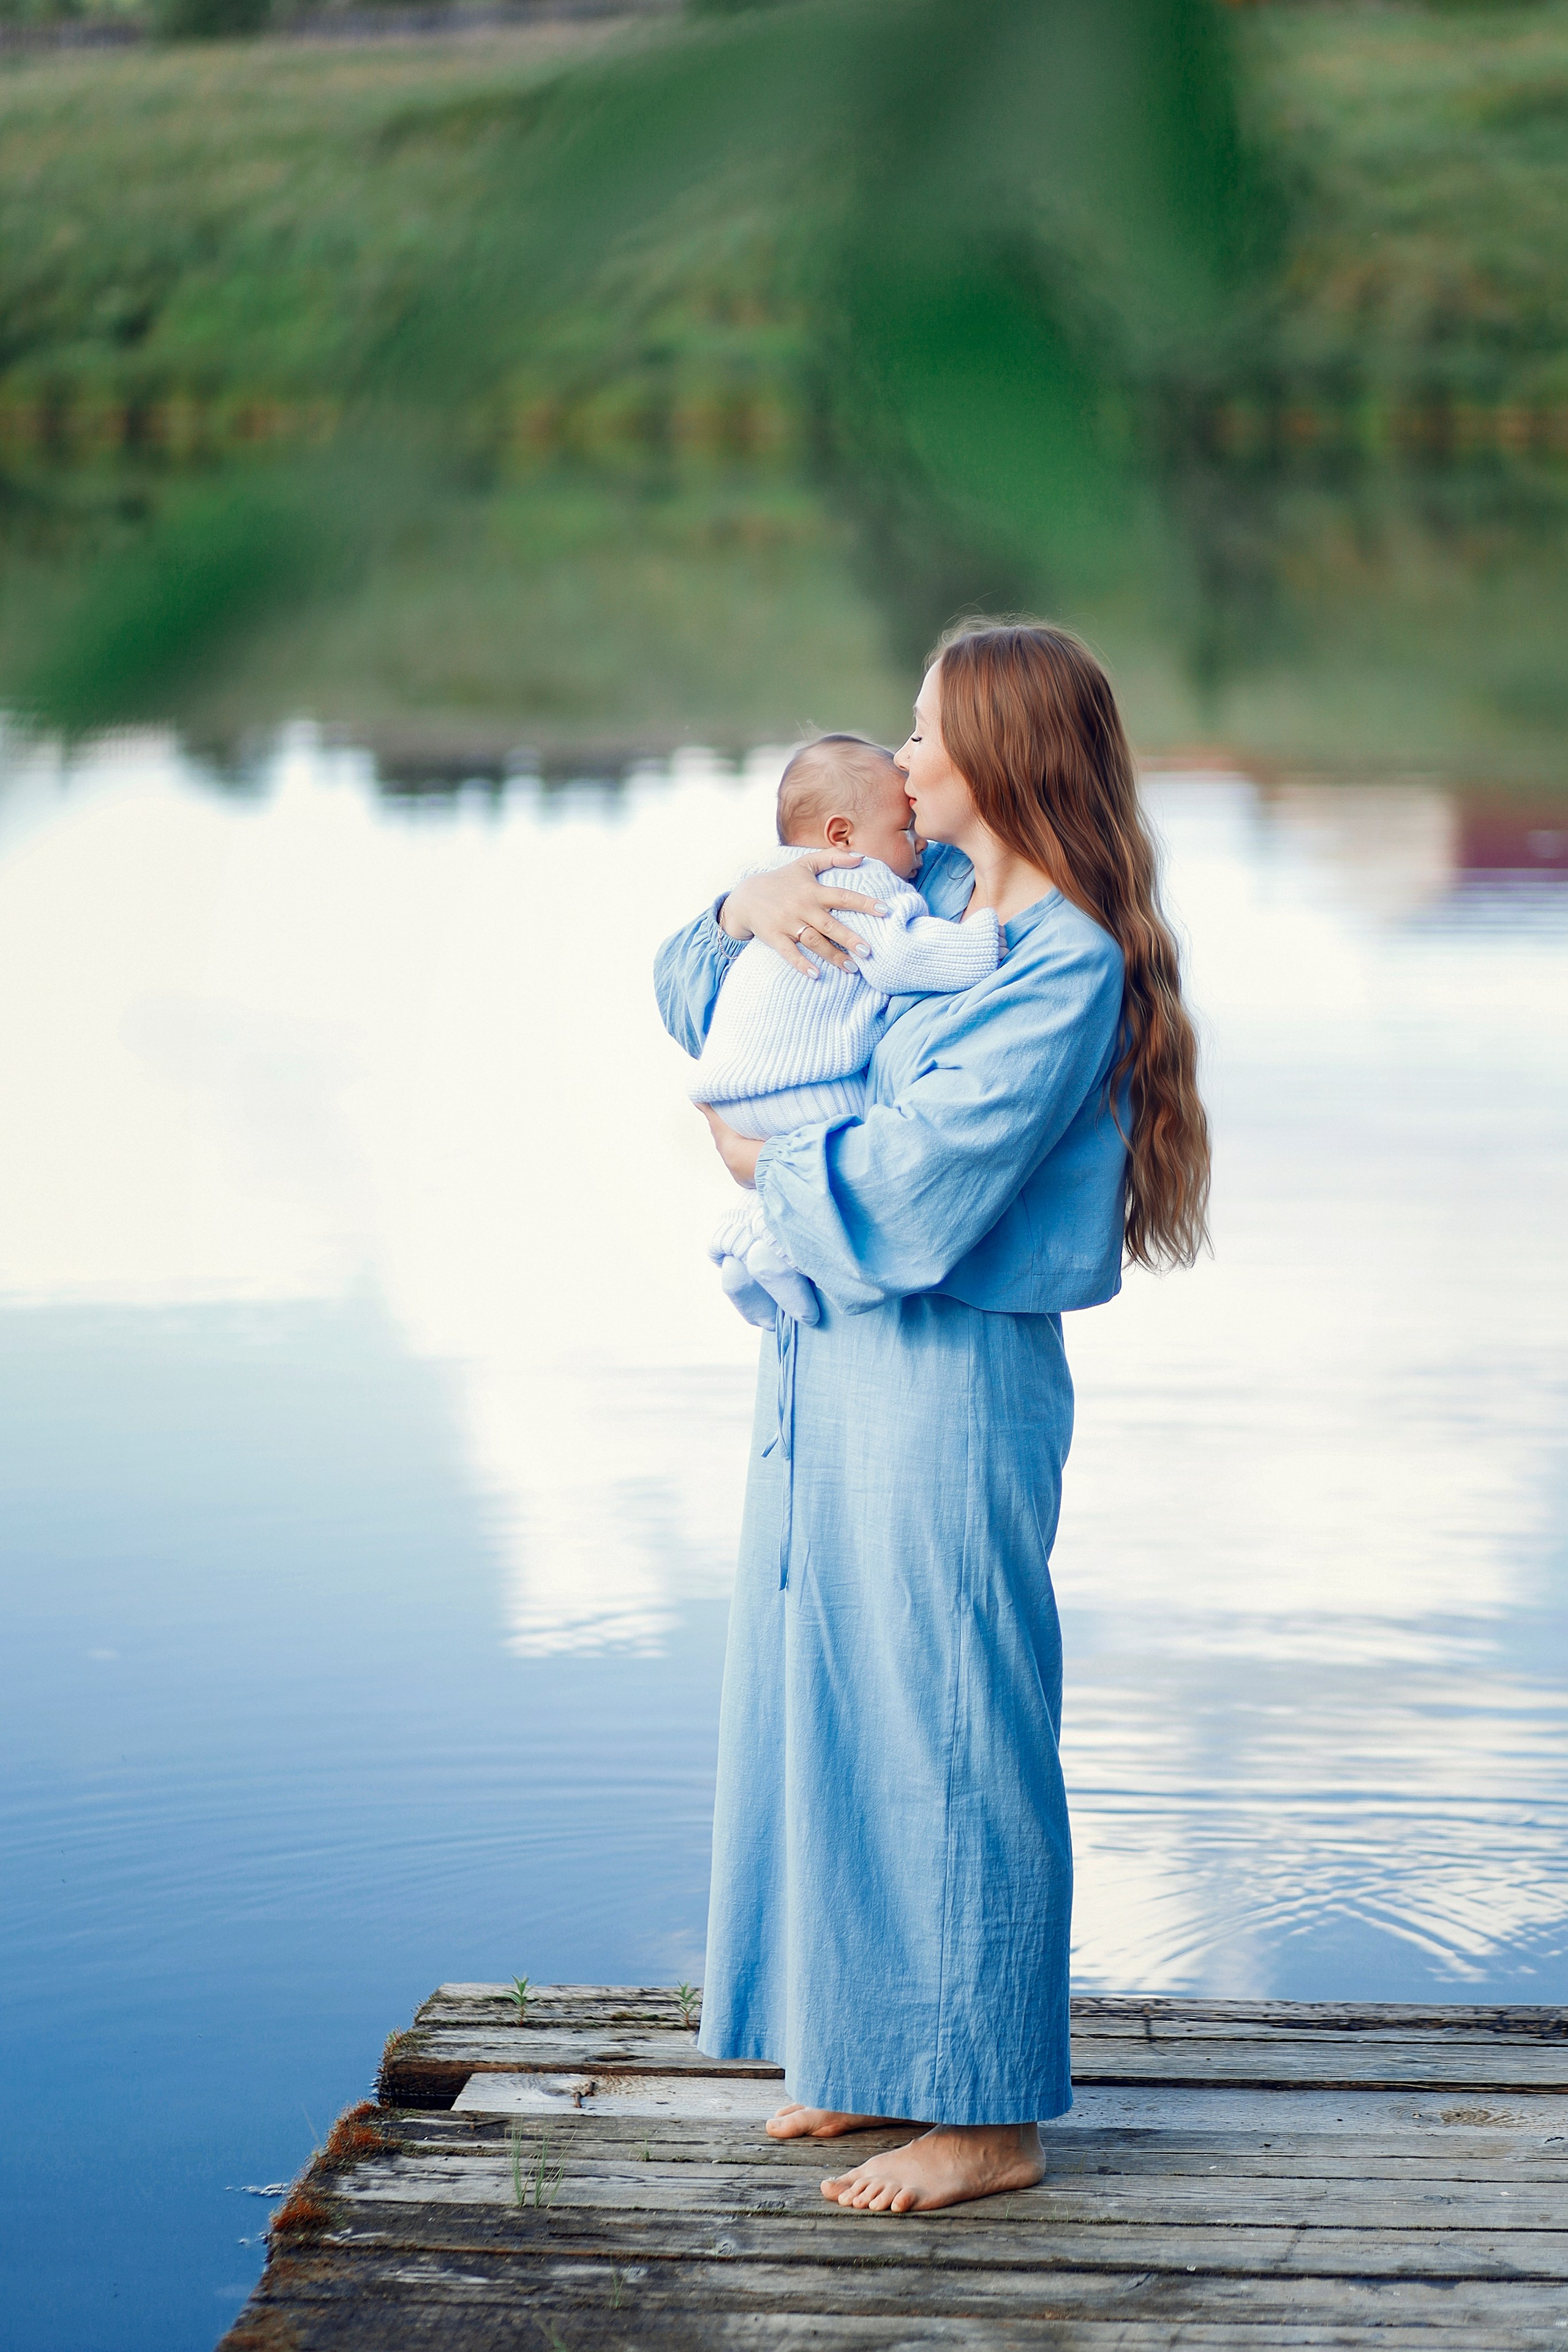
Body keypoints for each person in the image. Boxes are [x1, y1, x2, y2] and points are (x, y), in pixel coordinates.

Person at [654, 620, 1210, 2215]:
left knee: (950, 1724)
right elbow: (715, 998)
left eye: (923, 730)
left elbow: (914, 1185)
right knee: (823, 1691)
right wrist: (733, 902)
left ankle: (983, 2116)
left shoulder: (1064, 960)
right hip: (831, 1354)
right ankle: (860, 2050)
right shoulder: (942, 900)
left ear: (1002, 751)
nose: (899, 758)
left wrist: (766, 1164)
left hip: (947, 1370)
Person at [691, 732, 1001, 1329]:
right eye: (902, 833)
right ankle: (774, 1245)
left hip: (735, 1090)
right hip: (801, 1087)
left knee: (771, 1186)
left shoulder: (772, 873)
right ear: (842, 837)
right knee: (849, 1138)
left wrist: (739, 903)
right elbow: (902, 956)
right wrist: (985, 942)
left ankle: (740, 1241)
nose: (914, 849)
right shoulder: (865, 882)